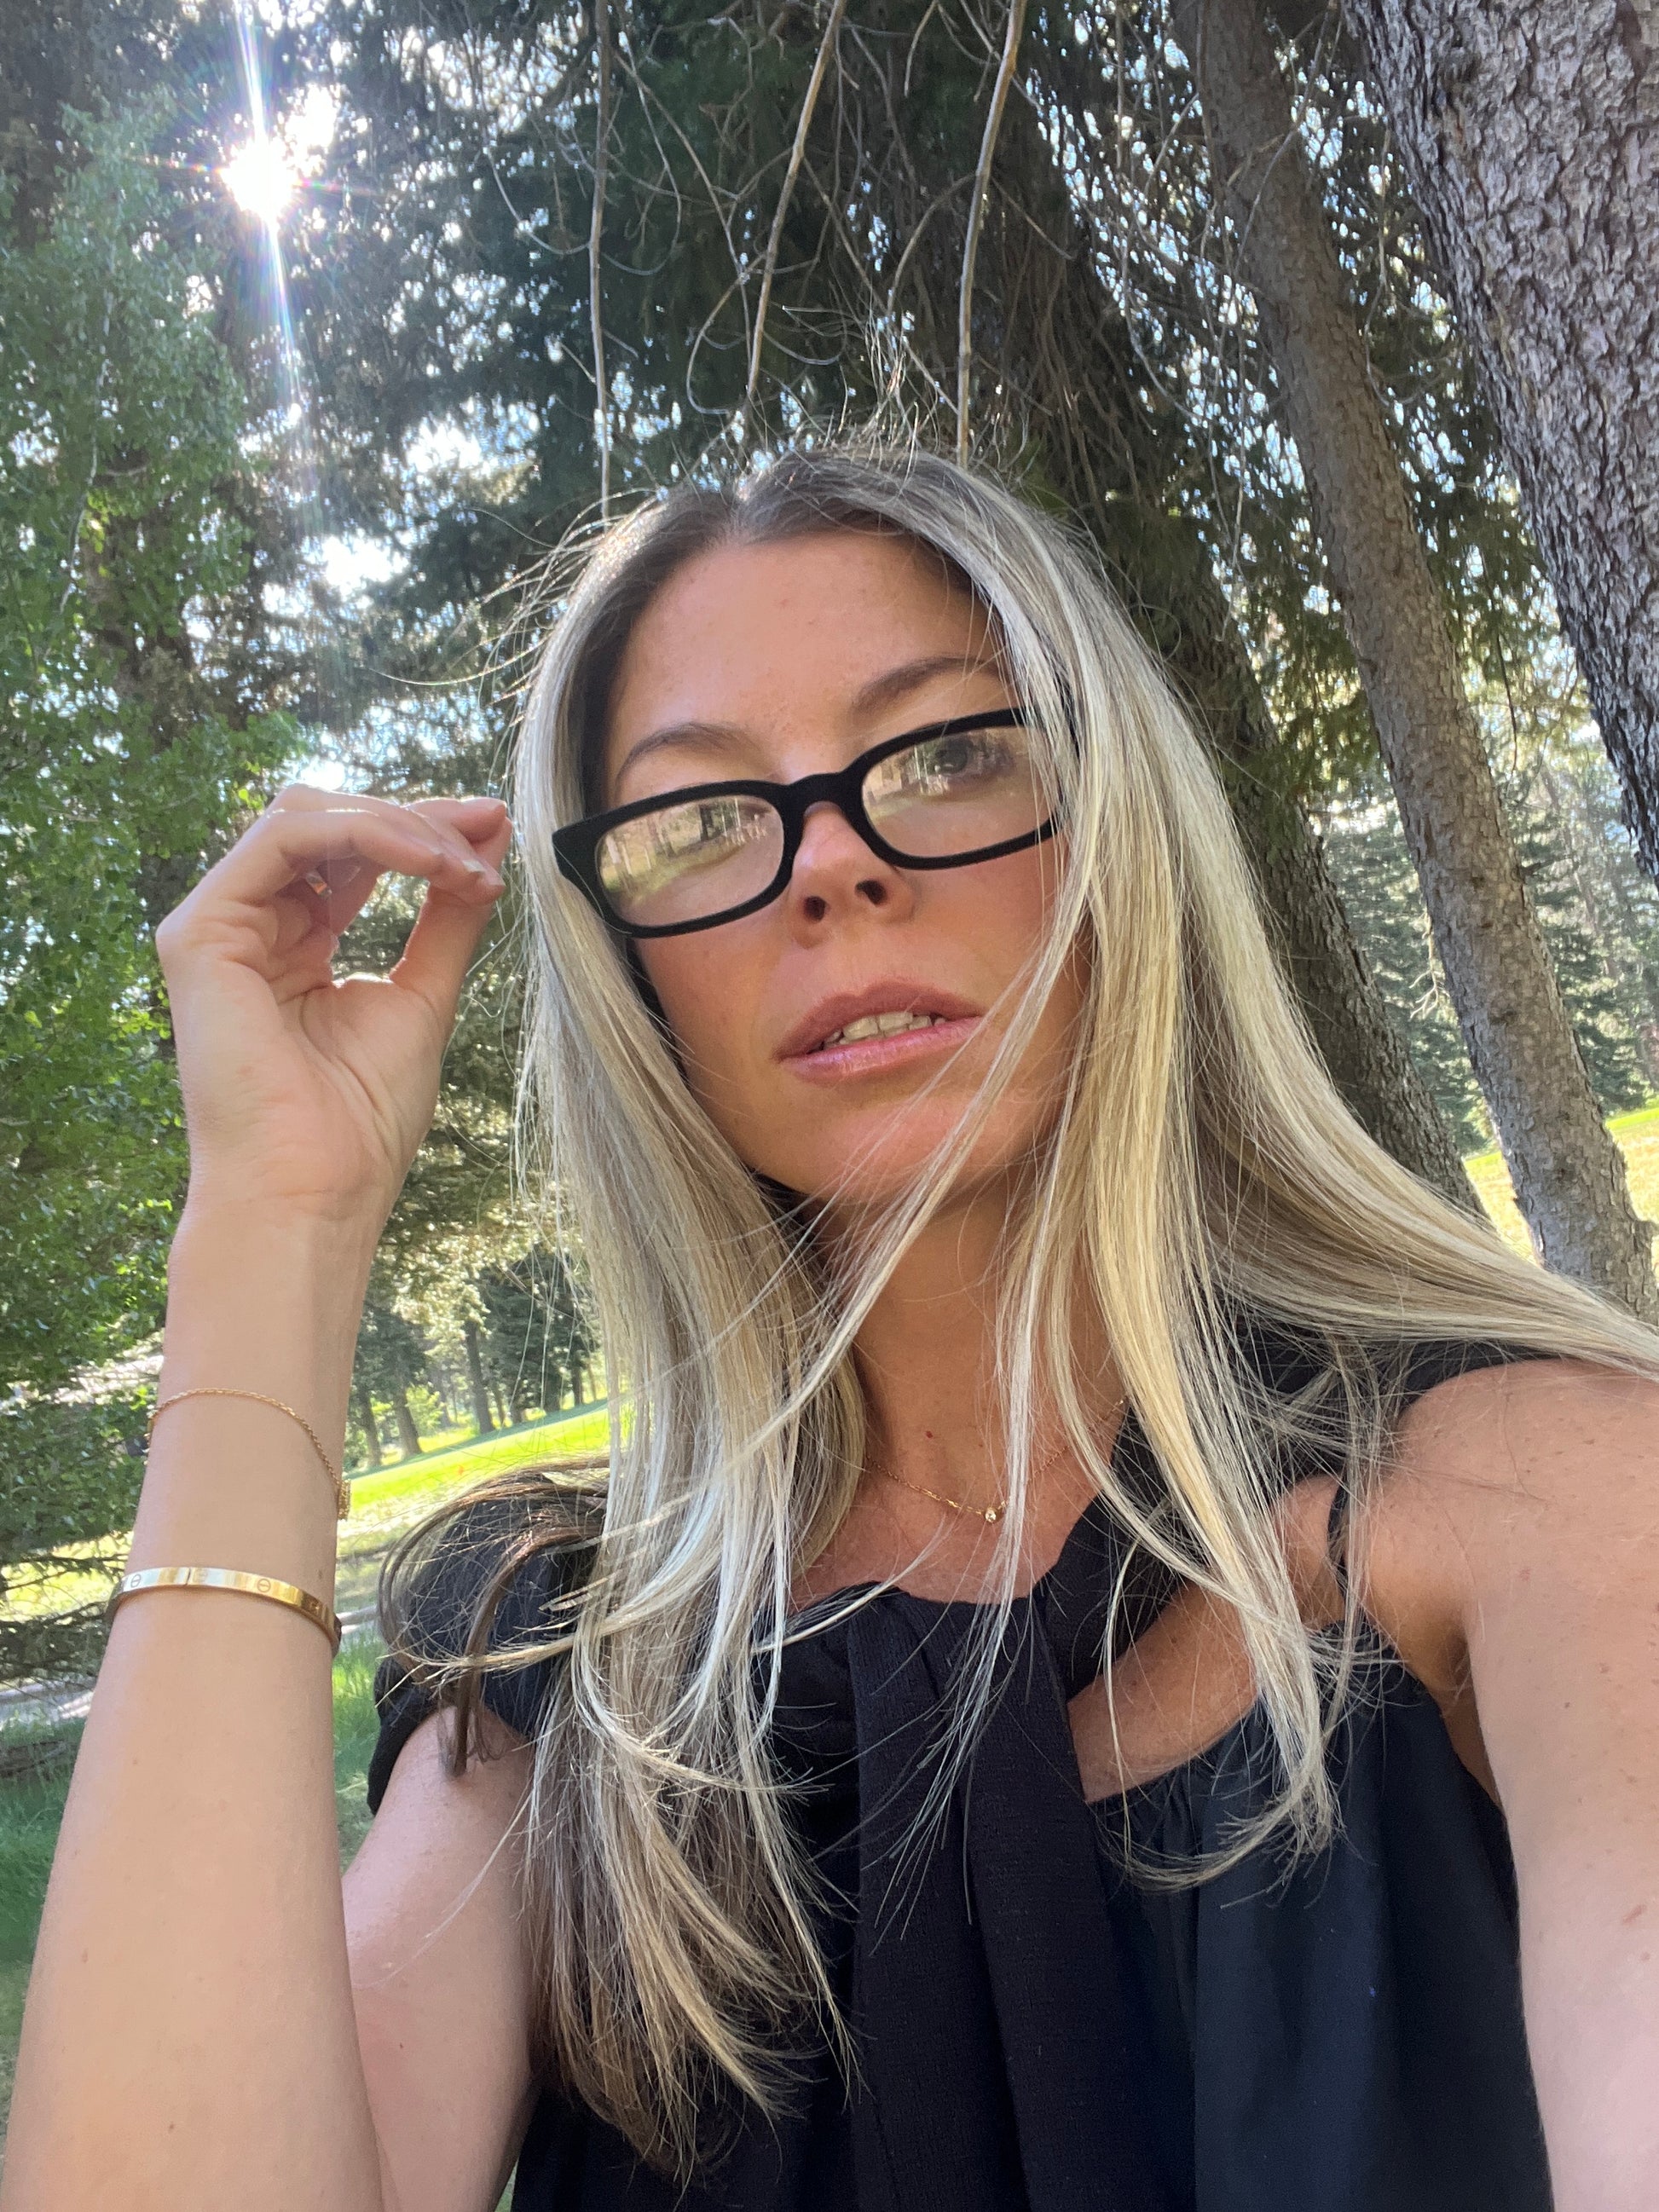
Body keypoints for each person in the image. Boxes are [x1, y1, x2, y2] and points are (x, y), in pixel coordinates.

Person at [6, 443, 1657, 2212]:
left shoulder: (1534, 1495)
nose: (830, 870)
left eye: (946, 753)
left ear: (1115, 828)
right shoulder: (570, 1678)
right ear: (632, 968)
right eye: (701, 817)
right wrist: (274, 1229)